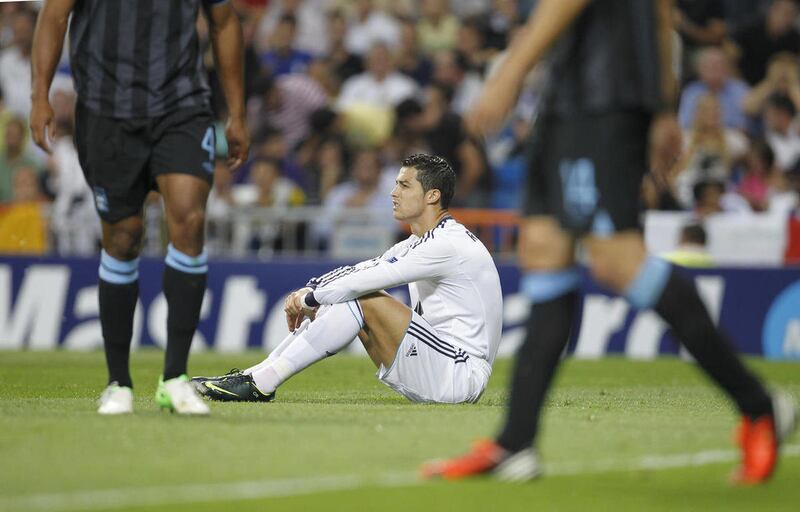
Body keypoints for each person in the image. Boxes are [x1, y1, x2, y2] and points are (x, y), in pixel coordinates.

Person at [422, 0, 796, 485]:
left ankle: (759, 406)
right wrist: (663, 104)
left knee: (618, 261)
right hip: (568, 98)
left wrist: (509, 72)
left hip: (604, 98)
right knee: (545, 250)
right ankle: (515, 443)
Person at [30, 0, 250, 415]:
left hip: (182, 106)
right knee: (123, 237)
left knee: (189, 221)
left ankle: (175, 378)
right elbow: (54, 14)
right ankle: (118, 383)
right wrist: (39, 93)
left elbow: (224, 21)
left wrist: (237, 111)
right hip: (105, 111)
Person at [193, 154, 502, 405]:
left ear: (433, 195)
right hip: (441, 365)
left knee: (361, 296)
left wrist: (308, 299)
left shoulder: (446, 244)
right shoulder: (420, 242)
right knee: (345, 293)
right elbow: (362, 269)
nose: (393, 193)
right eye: (396, 184)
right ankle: (254, 377)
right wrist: (312, 289)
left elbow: (365, 281)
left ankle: (260, 383)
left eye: (404, 185)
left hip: (460, 374)